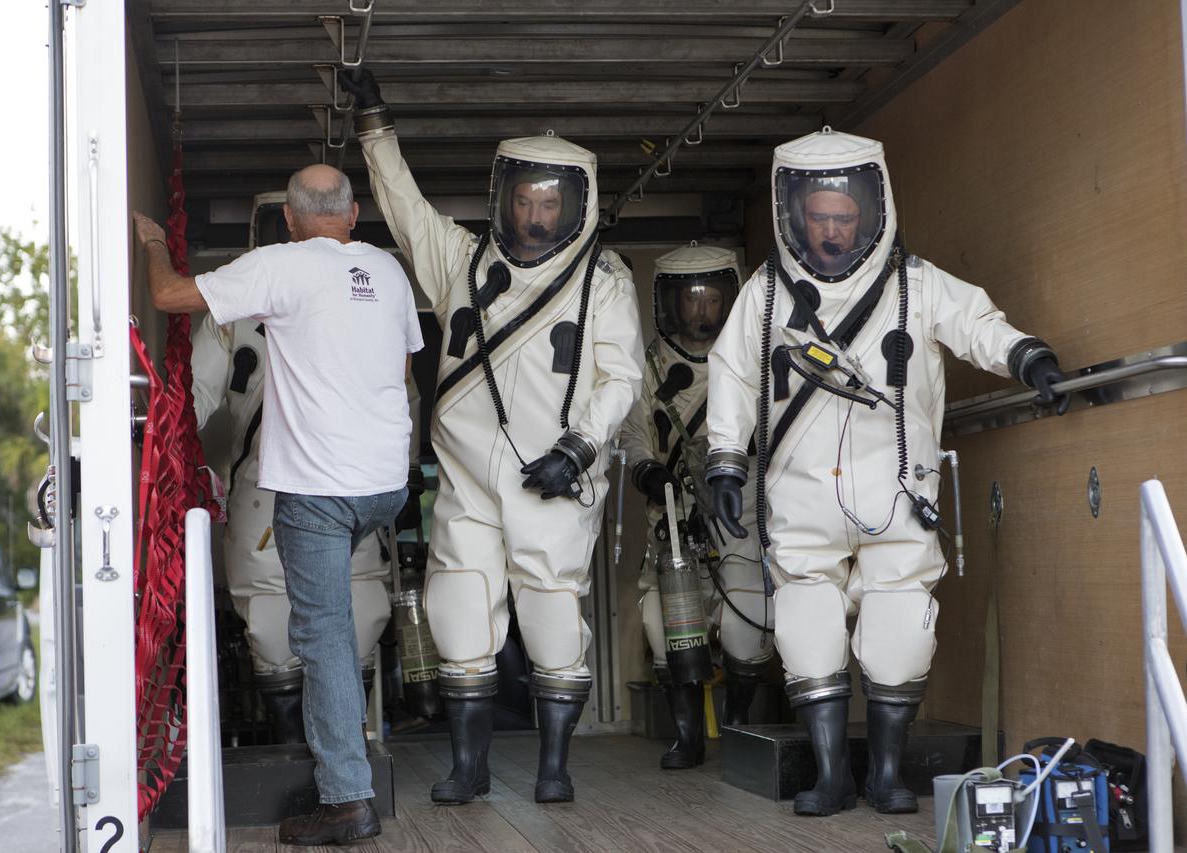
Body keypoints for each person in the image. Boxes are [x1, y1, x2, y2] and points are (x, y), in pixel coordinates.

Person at [705, 128, 1067, 818]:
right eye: (820, 217)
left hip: (897, 491)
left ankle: (888, 774)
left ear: (872, 211)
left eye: (845, 218)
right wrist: (725, 459)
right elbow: (731, 376)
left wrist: (1029, 358)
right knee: (806, 627)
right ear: (794, 214)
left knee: (901, 629)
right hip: (801, 494)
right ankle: (832, 776)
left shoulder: (915, 285)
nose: (832, 231)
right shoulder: (765, 294)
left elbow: (977, 324)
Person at [340, 68, 643, 805]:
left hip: (555, 476)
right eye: (524, 200)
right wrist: (375, 126)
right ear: (502, 197)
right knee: (459, 609)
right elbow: (405, 208)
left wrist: (578, 448)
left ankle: (554, 767)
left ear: (576, 204)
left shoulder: (602, 280)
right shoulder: (462, 262)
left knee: (551, 614)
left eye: (550, 203)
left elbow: (622, 377)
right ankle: (469, 767)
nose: (535, 216)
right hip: (469, 478)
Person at [134, 163, 423, 845]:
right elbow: (405, 367)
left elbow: (171, 296)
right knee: (338, 619)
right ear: (353, 215)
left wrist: (154, 243)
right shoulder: (387, 271)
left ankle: (347, 799)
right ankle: (340, 754)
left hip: (316, 491)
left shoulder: (278, 266)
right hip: (384, 486)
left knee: (323, 639)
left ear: (289, 222)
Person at [191, 305, 425, 744]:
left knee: (360, 617)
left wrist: (408, 475)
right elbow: (193, 397)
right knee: (273, 630)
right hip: (277, 487)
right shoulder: (239, 312)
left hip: (343, 485)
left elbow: (402, 396)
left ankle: (345, 761)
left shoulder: (361, 303)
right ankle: (301, 759)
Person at [618, 243, 772, 770]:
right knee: (668, 626)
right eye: (691, 298)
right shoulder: (649, 368)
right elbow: (633, 431)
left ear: (730, 298)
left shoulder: (755, 359)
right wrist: (646, 469)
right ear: (671, 303)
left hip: (739, 507)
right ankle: (688, 739)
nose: (702, 310)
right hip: (674, 509)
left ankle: (740, 726)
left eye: (711, 298)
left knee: (746, 621)